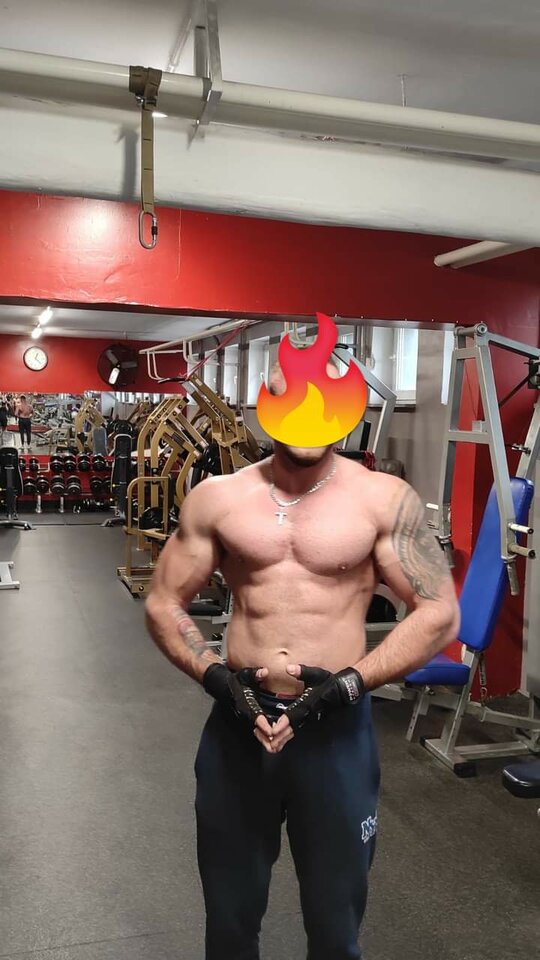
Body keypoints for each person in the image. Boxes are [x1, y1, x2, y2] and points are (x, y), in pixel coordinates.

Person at [145, 358, 460, 960]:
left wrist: (348, 685)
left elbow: (438, 610)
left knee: (336, 926)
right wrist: (215, 678)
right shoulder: (218, 498)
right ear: (267, 407)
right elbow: (164, 601)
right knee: (230, 922)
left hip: (335, 734)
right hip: (239, 729)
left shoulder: (382, 498)